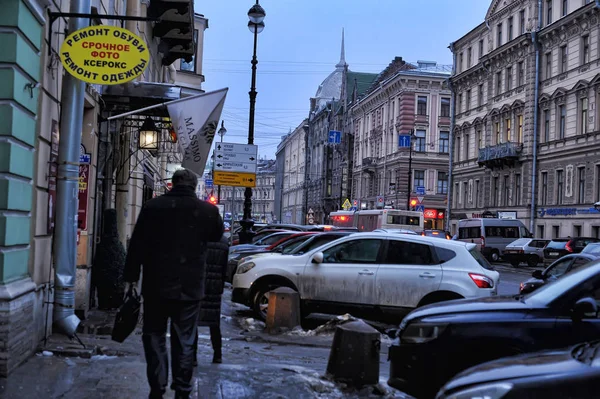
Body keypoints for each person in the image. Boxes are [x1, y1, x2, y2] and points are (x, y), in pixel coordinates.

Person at [124, 168, 223, 399]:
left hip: (156, 285)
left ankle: (157, 386)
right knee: (185, 339)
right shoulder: (207, 211)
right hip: (190, 287)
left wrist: (130, 277)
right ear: (193, 185)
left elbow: (137, 245)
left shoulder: (153, 207)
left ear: (172, 183)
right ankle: (183, 389)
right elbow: (217, 236)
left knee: (154, 335)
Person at [193, 235, 229, 365]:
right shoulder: (224, 242)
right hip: (215, 286)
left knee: (195, 322)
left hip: (199, 284)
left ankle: (193, 357)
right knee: (214, 323)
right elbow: (225, 267)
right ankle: (217, 354)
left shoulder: (199, 239)